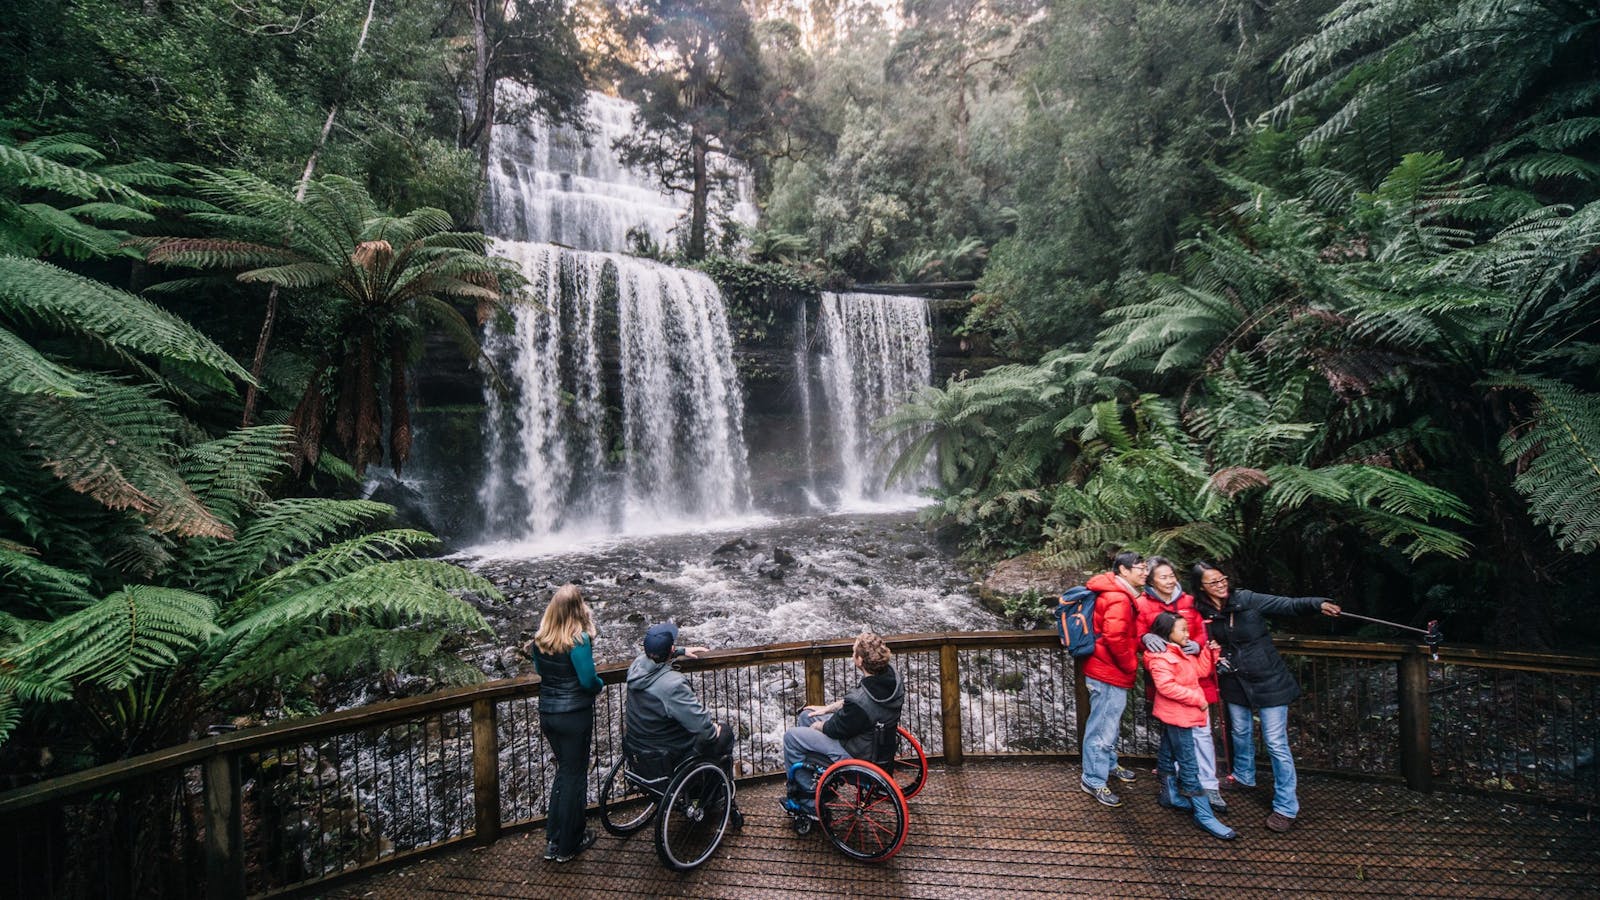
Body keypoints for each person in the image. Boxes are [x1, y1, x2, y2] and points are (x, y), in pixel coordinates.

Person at [1190, 562, 1340, 834]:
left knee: (1275, 743)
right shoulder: (1202, 611)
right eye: (1213, 582)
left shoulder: (1246, 599)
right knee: (1241, 732)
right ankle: (1244, 777)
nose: (1221, 585)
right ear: (1201, 587)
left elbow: (1287, 605)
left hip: (1269, 678)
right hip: (1234, 680)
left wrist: (1318, 604)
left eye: (1223, 579)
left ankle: (1286, 807)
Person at [623, 621, 743, 826]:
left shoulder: (636, 666)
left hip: (639, 750)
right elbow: (702, 727)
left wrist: (680, 651)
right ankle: (709, 796)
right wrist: (713, 730)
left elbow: (656, 656)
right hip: (668, 755)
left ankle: (697, 788)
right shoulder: (672, 685)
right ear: (668, 650)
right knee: (724, 734)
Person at [1134, 557, 1226, 813]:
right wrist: (1145, 637)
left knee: (1202, 733)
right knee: (1174, 735)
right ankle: (1177, 786)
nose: (1170, 580)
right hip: (1169, 678)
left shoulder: (1188, 601)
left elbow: (1199, 630)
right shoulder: (1141, 603)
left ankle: (1209, 785)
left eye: (1172, 574)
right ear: (1151, 580)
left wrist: (1199, 644)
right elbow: (1137, 634)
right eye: (1163, 576)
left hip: (1196, 675)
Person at [527, 584, 604, 863]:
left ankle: (555, 839)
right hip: (574, 716)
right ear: (577, 609)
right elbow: (587, 680)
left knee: (563, 773)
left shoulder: (540, 641)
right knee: (574, 776)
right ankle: (571, 842)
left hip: (549, 714)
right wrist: (600, 685)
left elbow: (540, 671)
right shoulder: (578, 641)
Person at [1143, 612, 1236, 839]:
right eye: (1182, 630)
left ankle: (1170, 795)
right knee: (1189, 764)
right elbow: (1166, 687)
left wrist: (1209, 652)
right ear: (1168, 633)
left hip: (1180, 713)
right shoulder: (1161, 657)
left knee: (1167, 752)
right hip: (1180, 714)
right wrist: (1198, 699)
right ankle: (1204, 815)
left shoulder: (1179, 652)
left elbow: (1199, 672)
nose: (1187, 634)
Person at [782, 632, 904, 777]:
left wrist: (819, 726)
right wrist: (826, 709)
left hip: (859, 757)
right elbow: (862, 703)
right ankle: (819, 780)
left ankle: (805, 797)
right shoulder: (893, 679)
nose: (852, 656)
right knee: (806, 716)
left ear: (859, 660)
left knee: (791, 736)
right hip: (878, 746)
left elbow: (836, 728)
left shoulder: (859, 703)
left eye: (854, 653)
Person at [1078, 550, 1147, 807]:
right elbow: (1115, 638)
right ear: (1123, 570)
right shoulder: (1118, 598)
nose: (1144, 572)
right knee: (1102, 727)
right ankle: (1093, 779)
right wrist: (1130, 664)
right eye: (1139, 568)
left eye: (1145, 568)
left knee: (1109, 723)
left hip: (1106, 668)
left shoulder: (1116, 593)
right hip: (1108, 671)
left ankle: (1108, 764)